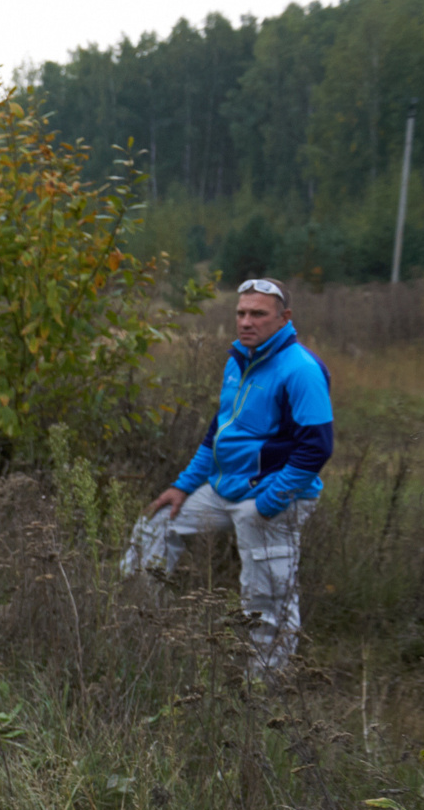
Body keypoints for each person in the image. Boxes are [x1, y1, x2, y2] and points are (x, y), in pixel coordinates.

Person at [123, 276, 334, 675]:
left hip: (272, 497)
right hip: (225, 489)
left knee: (267, 596)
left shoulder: (301, 369)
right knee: (155, 527)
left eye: (258, 314)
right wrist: (183, 486)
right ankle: (133, 631)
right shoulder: (239, 359)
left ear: (284, 318)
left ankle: (262, 692)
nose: (246, 322)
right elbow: (220, 431)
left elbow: (317, 447)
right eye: (241, 313)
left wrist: (268, 504)